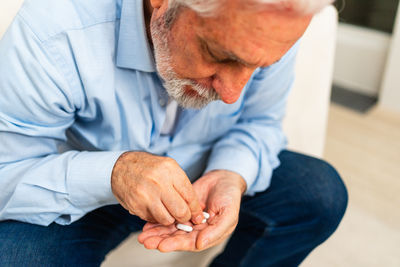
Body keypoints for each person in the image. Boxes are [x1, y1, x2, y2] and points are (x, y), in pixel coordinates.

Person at [0, 0, 348, 266]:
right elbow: (5, 170)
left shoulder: (270, 27)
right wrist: (114, 174)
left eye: (256, 68)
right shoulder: (57, 30)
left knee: (319, 192)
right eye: (219, 55)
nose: (231, 94)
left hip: (202, 172)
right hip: (86, 191)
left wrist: (231, 175)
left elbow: (261, 122)